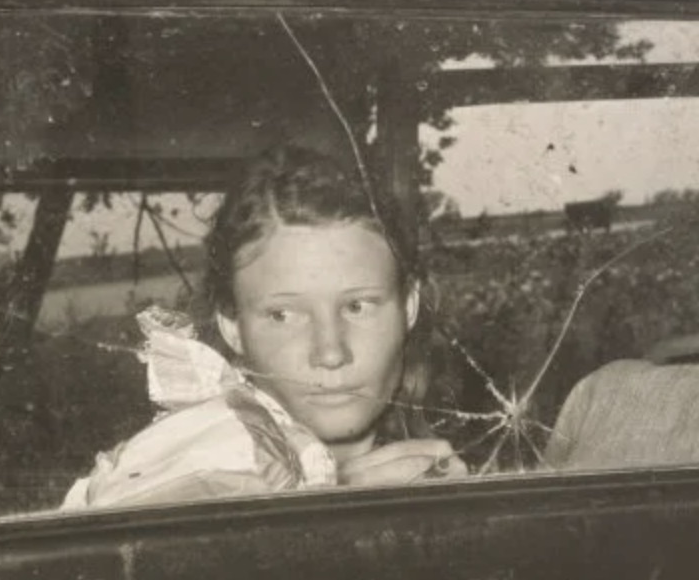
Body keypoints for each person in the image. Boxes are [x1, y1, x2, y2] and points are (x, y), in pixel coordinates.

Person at [61, 144, 466, 510]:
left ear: (409, 307)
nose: (330, 352)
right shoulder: (191, 470)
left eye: (358, 306)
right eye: (283, 315)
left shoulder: (440, 469)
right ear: (232, 325)